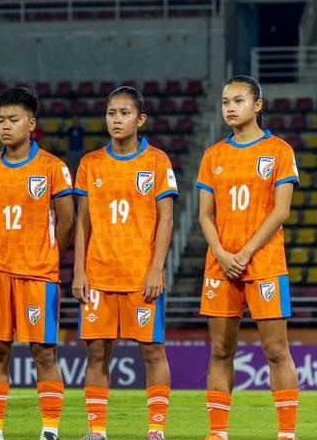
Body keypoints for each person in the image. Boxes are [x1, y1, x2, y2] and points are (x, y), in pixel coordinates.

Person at [0, 87, 75, 440]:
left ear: (31, 123)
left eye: (13, 120)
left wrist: (45, 255)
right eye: (0, 120)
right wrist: (4, 247)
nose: (5, 126)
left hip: (37, 273)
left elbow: (67, 220)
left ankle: (49, 429)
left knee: (43, 351)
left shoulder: (52, 168)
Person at [196, 75, 299, 440]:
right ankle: (217, 432)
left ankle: (286, 433)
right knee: (221, 350)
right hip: (220, 265)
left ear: (258, 105)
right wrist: (223, 254)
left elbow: (281, 211)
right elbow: (204, 215)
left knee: (275, 349)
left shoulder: (280, 151)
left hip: (265, 263)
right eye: (225, 101)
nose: (229, 107)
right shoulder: (213, 156)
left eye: (238, 100)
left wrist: (245, 251)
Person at [72, 86, 177, 440]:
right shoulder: (90, 163)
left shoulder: (157, 161)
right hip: (99, 274)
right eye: (111, 113)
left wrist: (156, 268)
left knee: (151, 349)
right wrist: (79, 270)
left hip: (140, 274)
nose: (116, 119)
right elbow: (82, 221)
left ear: (140, 119)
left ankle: (156, 430)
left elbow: (167, 219)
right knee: (97, 350)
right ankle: (97, 431)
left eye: (124, 113)